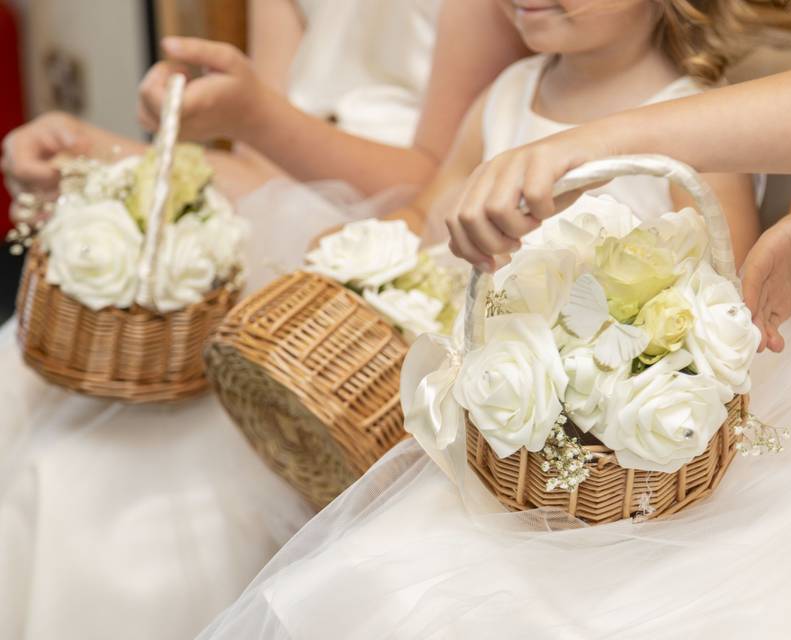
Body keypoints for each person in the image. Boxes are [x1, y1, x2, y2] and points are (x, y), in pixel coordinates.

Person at [191, 1, 774, 638]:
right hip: (481, 430)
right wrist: (367, 253)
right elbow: (428, 214)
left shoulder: (700, 127)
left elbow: (723, 316)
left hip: (605, 465)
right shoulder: (507, 95)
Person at [0, 2, 530, 639]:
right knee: (29, 399)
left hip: (398, 256)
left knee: (114, 496)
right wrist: (92, 153)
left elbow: (441, 184)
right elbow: (261, 172)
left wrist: (258, 115)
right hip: (282, 228)